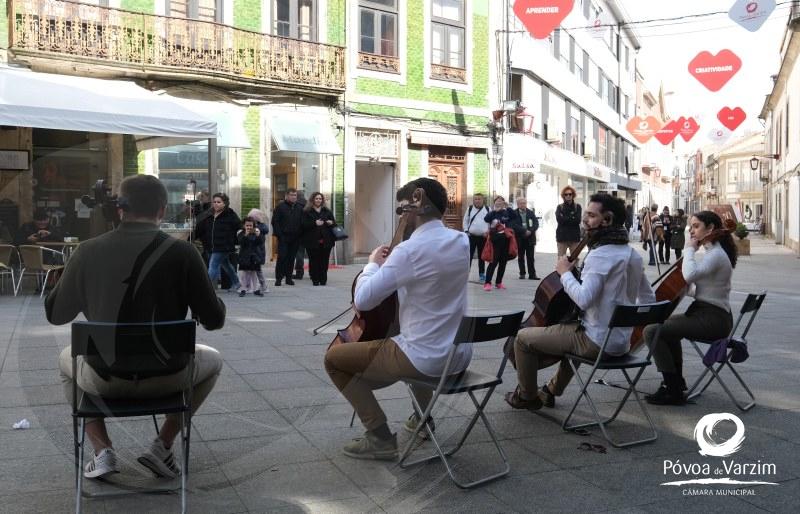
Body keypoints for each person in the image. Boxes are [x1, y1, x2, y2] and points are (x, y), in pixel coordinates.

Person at [45, 175, 226, 480]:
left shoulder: (88, 251)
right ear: (161, 209)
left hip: (105, 378)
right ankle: (163, 445)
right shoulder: (183, 253)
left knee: (68, 360)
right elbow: (214, 320)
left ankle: (102, 451)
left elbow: (56, 314)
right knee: (214, 360)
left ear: (119, 209)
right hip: (169, 376)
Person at [324, 177, 469, 460]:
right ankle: (423, 420)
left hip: (424, 359)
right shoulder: (461, 241)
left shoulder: (409, 251)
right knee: (409, 341)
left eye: (401, 211)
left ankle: (379, 437)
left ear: (416, 209)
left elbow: (363, 300)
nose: (400, 218)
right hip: (459, 354)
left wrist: (372, 266)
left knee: (334, 358)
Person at [504, 193, 655, 411]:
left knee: (522, 338)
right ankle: (550, 391)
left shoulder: (600, 255)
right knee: (573, 334)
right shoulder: (632, 255)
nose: (585, 220)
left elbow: (583, 300)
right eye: (585, 214)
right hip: (621, 344)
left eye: (591, 216)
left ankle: (528, 396)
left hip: (595, 342)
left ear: (608, 220)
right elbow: (649, 299)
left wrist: (565, 273)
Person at [643, 210, 737, 406]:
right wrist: (686, 290)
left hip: (712, 319)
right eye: (690, 227)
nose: (691, 232)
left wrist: (688, 250)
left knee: (652, 330)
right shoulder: (715, 252)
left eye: (696, 227)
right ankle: (675, 383)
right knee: (665, 329)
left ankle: (672, 388)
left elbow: (690, 275)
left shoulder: (716, 255)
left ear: (710, 228)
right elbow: (706, 288)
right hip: (710, 314)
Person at [194, 193, 242, 292]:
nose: (216, 204)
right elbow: (202, 228)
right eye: (214, 202)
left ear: (225, 203)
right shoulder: (210, 214)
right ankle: (237, 283)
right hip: (212, 245)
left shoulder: (230, 214)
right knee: (226, 265)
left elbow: (240, 227)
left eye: (219, 202)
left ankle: (204, 288)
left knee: (213, 265)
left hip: (224, 245)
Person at [483, 196, 519, 291]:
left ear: (503, 203)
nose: (499, 203)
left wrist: (507, 207)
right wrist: (494, 211)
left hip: (506, 241)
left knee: (503, 263)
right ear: (494, 203)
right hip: (495, 241)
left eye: (501, 201)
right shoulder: (493, 213)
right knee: (493, 262)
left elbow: (515, 216)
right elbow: (486, 219)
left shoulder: (507, 212)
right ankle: (487, 283)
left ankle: (499, 282)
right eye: (497, 201)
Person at [301, 192, 337, 286]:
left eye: (320, 199)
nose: (318, 200)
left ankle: (323, 279)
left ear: (322, 200)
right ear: (312, 200)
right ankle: (315, 279)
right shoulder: (306, 211)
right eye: (316, 198)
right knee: (313, 261)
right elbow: (303, 225)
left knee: (324, 261)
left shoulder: (327, 211)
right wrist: (314, 223)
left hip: (326, 241)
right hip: (312, 241)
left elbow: (334, 224)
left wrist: (331, 223)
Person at [271, 188, 303, 286]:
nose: (294, 197)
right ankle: (279, 278)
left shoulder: (300, 207)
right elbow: (275, 222)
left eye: (295, 195)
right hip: (283, 237)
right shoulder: (280, 207)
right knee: (282, 258)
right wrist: (279, 235)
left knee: (291, 258)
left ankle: (289, 278)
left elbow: (303, 222)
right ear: (287, 195)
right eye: (292, 195)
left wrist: (300, 234)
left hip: (295, 238)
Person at [462, 193, 490, 282]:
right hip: (471, 237)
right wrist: (466, 231)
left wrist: (489, 232)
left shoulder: (488, 209)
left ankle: (482, 274)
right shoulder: (470, 209)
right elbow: (465, 221)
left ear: (483, 200)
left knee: (482, 257)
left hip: (483, 237)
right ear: (473, 200)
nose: (477, 201)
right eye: (476, 199)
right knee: (468, 256)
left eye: (479, 199)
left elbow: (491, 222)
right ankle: (466, 274)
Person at [237, 217, 266, 297]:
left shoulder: (256, 233)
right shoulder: (241, 233)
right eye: (247, 226)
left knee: (254, 272)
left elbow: (260, 242)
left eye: (250, 226)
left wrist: (258, 235)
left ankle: (255, 289)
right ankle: (243, 288)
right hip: (244, 256)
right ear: (244, 226)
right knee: (244, 273)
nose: (249, 227)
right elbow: (241, 242)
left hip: (254, 256)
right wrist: (245, 235)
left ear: (254, 226)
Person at [514, 197, 540, 280]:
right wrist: (524, 231)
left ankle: (532, 274)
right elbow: (513, 225)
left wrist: (530, 231)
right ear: (518, 204)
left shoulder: (530, 212)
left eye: (524, 203)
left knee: (531, 257)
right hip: (520, 238)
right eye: (521, 203)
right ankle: (522, 273)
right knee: (521, 257)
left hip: (530, 238)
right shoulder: (514, 213)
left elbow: (536, 223)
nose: (523, 205)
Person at [246, 208, 270, 294]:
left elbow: (265, 230)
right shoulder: (249, 226)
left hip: (257, 252)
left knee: (258, 270)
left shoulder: (261, 227)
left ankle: (263, 286)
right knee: (249, 270)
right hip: (250, 252)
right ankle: (249, 286)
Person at [555, 186, 581, 257]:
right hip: (562, 237)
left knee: (574, 260)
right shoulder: (560, 207)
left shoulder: (577, 207)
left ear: (573, 195)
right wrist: (572, 217)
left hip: (574, 237)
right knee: (561, 259)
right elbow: (559, 220)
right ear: (563, 196)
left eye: (570, 194)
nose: (568, 196)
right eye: (566, 194)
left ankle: (574, 269)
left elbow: (577, 220)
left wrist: (564, 217)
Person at [293, 190, 307, 280]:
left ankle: (299, 272)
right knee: (302, 253)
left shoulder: (295, 206)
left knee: (298, 254)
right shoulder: (308, 205)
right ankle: (313, 272)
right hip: (307, 234)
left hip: (297, 233)